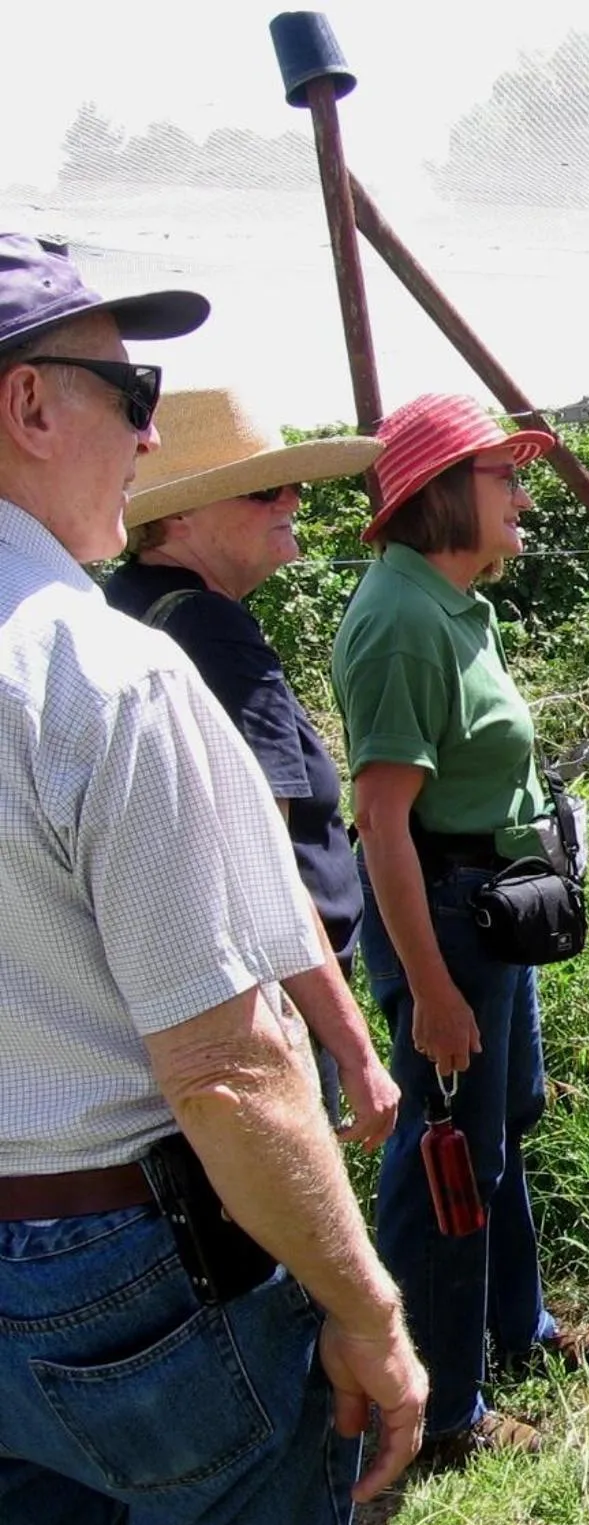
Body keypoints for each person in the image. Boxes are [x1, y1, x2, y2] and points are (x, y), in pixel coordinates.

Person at [0, 234, 425, 1525]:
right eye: (132, 395)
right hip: (123, 1260)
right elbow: (225, 1068)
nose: (147, 437)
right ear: (29, 406)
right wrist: (367, 1309)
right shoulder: (100, 675)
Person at [332, 392, 589, 1465]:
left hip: (487, 911)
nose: (523, 497)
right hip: (446, 923)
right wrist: (435, 993)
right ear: (444, 492)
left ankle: (514, 1329)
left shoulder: (447, 603)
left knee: (499, 1128)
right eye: (506, 478)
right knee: (444, 1158)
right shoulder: (401, 622)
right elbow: (382, 825)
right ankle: (441, 1411)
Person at [104, 388, 399, 1148]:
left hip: (164, 1008)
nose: (293, 499)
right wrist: (355, 1050)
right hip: (264, 1007)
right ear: (178, 518)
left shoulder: (120, 608)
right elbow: (264, 863)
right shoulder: (212, 630)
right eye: (264, 490)